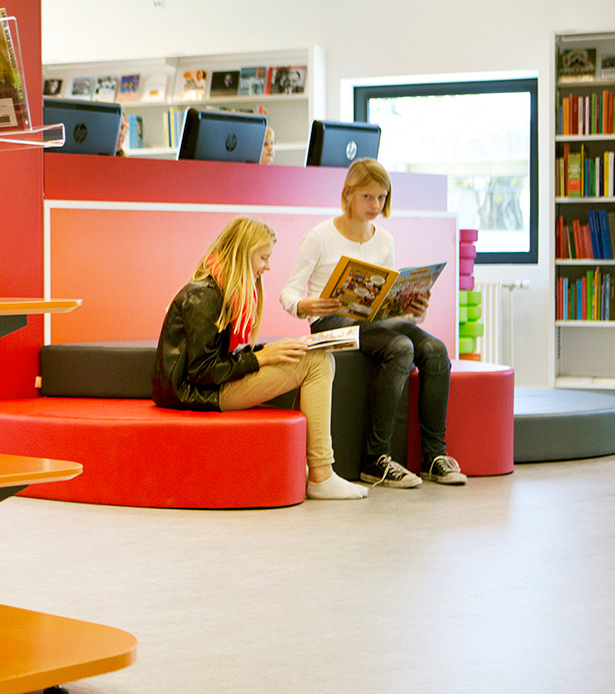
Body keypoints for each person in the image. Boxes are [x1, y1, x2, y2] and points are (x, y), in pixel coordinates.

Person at [279, 158, 464, 488]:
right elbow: (289, 291)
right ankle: (376, 459)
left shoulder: (384, 240)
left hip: (373, 322)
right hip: (330, 321)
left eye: (381, 197)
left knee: (436, 350)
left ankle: (434, 456)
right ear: (348, 193)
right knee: (400, 347)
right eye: (367, 196)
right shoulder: (319, 237)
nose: (375, 205)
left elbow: (385, 301)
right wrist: (305, 305)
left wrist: (414, 310)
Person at [153, 217, 366, 500]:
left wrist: (271, 351)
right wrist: (262, 357)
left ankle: (311, 469)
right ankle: (321, 474)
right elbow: (202, 372)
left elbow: (220, 355)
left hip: (205, 388)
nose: (268, 267)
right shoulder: (204, 296)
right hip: (196, 393)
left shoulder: (218, 289)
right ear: (243, 253)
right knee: (317, 362)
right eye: (264, 257)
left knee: (312, 354)